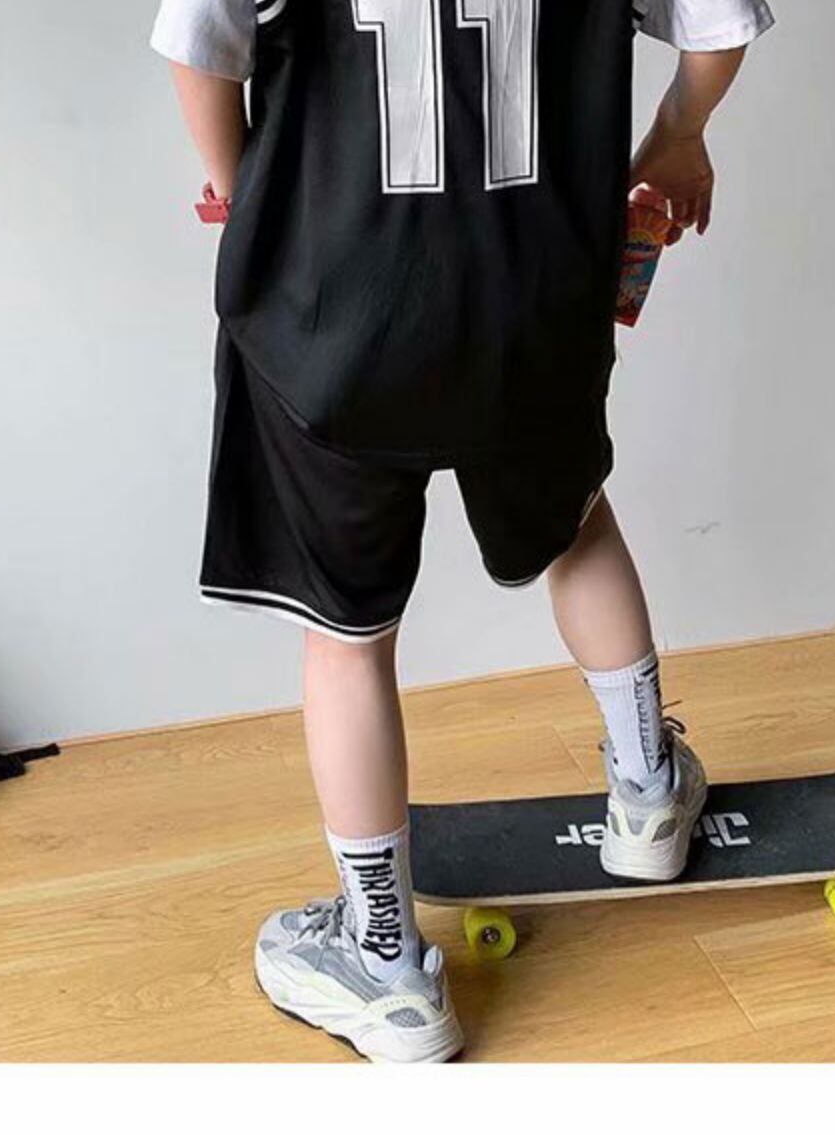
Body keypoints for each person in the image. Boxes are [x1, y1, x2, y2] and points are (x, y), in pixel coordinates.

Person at [150, 0, 774, 1062]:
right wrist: (678, 134)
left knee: (348, 637)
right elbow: (719, 26)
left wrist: (251, 192)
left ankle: (387, 967)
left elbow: (198, 48)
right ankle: (648, 795)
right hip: (535, 307)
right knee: (576, 526)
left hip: (333, 318)